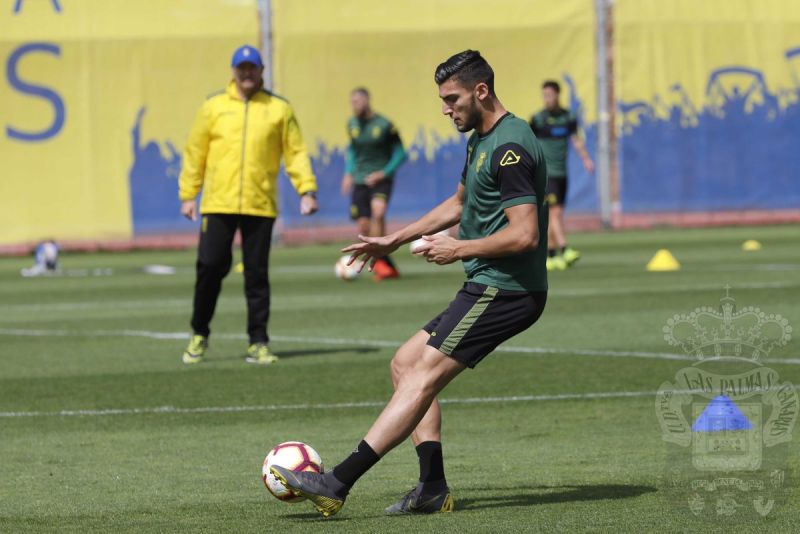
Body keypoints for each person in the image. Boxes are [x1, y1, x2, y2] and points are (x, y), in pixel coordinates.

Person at [271, 50, 548, 517]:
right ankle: (432, 488)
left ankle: (336, 482)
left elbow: (525, 233)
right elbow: (459, 203)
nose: (445, 109)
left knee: (421, 376)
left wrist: (456, 249)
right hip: (486, 284)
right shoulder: (482, 138)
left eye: (451, 98)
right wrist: (396, 239)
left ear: (481, 91)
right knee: (404, 365)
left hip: (507, 290)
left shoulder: (510, 147)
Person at [178, 45, 318, 365]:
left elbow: (295, 152)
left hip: (259, 202)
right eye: (241, 68)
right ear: (233, 71)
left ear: (261, 70)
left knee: (256, 275)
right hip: (218, 202)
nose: (246, 73)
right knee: (210, 266)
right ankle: (200, 333)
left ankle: (258, 341)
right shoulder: (213, 106)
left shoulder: (279, 108)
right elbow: (194, 152)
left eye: (251, 68)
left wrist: (306, 190)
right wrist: (189, 194)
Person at [341, 88, 407, 280]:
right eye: (352, 102)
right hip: (360, 180)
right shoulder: (352, 124)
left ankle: (379, 262)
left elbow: (401, 153)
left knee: (378, 214)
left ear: (367, 100)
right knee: (363, 226)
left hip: (381, 180)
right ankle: (385, 262)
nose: (355, 105)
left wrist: (383, 173)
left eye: (358, 101)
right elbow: (353, 149)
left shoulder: (384, 125)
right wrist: (348, 173)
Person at [529, 80, 594, 271]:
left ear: (558, 95)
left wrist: (586, 159)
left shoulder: (568, 118)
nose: (547, 99)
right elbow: (528, 143)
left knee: (553, 214)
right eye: (545, 95)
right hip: (546, 174)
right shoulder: (538, 119)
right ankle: (565, 249)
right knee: (555, 212)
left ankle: (550, 256)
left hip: (562, 173)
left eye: (550, 95)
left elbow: (576, 140)